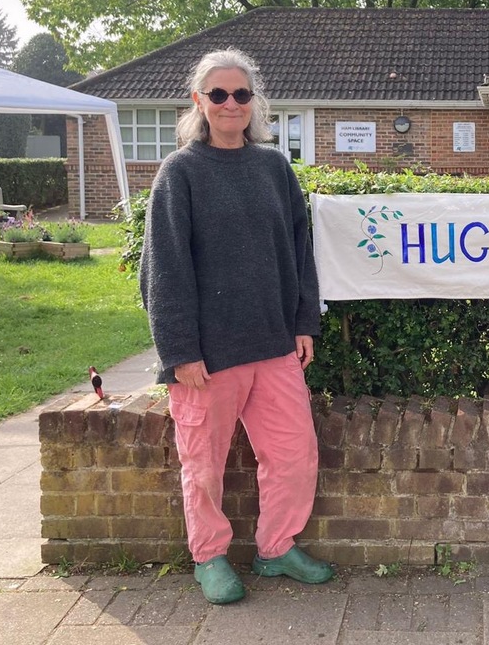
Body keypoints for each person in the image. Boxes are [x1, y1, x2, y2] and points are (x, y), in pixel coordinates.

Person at [139, 47, 333, 605]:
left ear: (254, 103)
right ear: (200, 101)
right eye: (218, 94)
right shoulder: (181, 172)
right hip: (207, 356)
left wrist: (303, 322)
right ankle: (209, 556)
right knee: (203, 464)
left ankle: (277, 547)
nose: (230, 104)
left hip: (274, 345)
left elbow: (299, 249)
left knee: (294, 454)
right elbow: (164, 267)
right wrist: (179, 349)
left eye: (241, 94)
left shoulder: (273, 167)